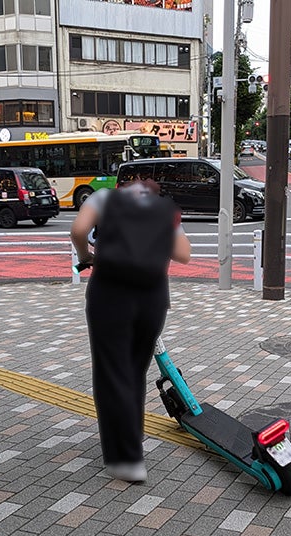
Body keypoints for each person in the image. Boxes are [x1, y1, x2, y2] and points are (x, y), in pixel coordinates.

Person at [70, 180, 192, 482]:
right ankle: (131, 440)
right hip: (151, 298)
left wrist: (86, 256)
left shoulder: (102, 198)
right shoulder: (162, 208)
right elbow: (183, 253)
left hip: (109, 294)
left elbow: (77, 231)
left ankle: (125, 458)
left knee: (112, 373)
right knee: (134, 373)